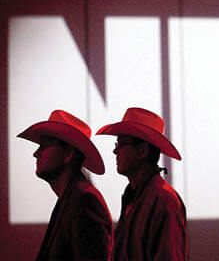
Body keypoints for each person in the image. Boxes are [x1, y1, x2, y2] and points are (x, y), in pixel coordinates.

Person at [17, 110, 113, 261]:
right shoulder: (72, 198)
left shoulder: (84, 200)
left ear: (68, 154)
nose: (36, 153)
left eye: (44, 146)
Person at [96, 107, 187, 260]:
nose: (115, 151)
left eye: (120, 144)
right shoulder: (135, 196)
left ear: (143, 151)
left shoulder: (164, 200)